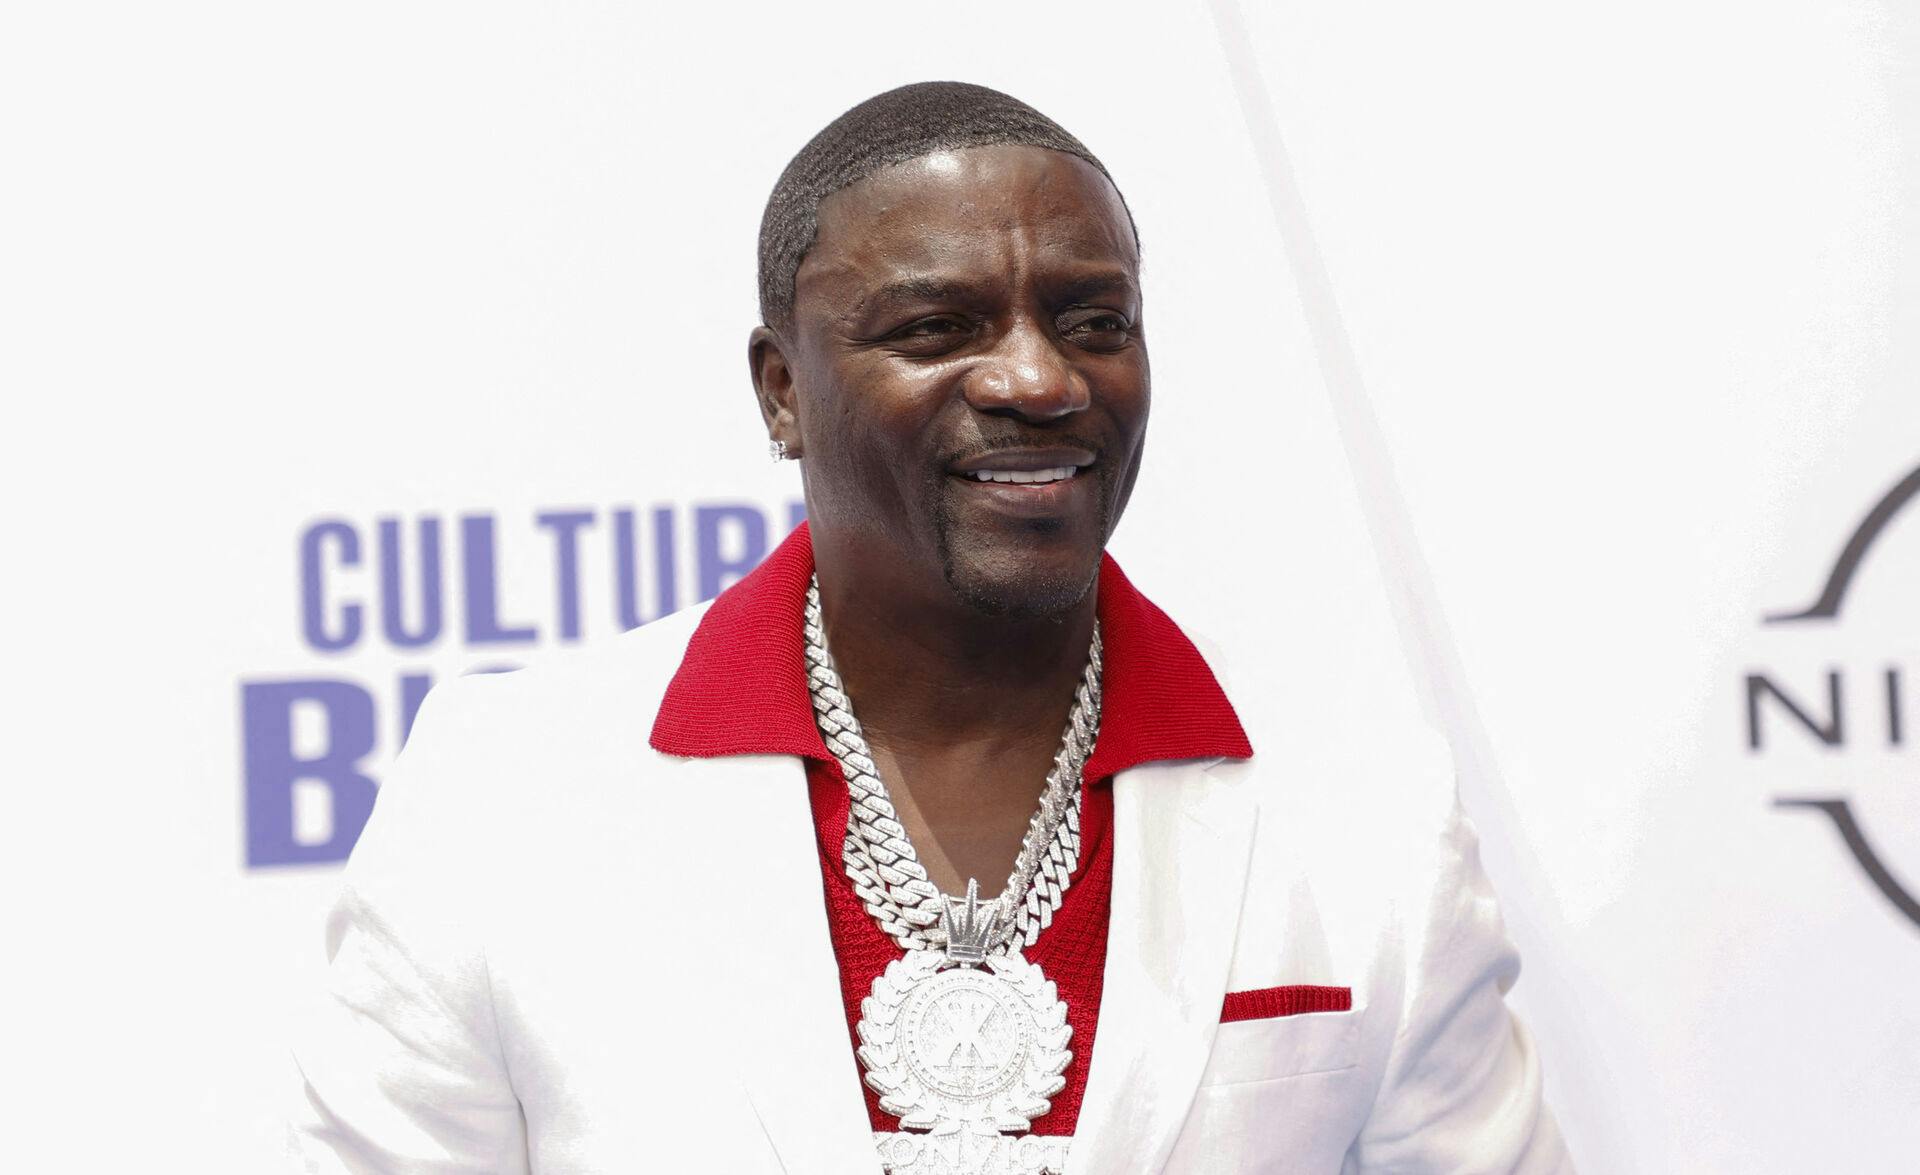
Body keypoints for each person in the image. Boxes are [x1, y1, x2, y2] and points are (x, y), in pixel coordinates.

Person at [290, 81, 1572, 1174]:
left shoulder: (1363, 810)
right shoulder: (508, 794)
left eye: (1094, 321)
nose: (1039, 378)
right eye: (936, 328)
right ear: (782, 391)